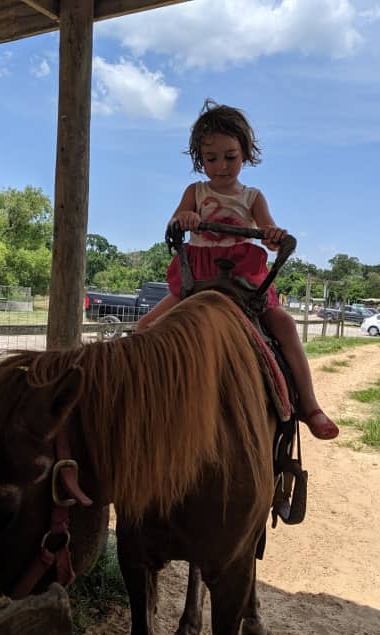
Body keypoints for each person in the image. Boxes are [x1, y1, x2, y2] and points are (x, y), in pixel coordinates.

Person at [137, 100, 338, 440]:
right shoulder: (195, 192)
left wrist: (274, 236)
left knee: (285, 324)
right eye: (211, 158)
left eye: (230, 157)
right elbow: (175, 222)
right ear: (200, 160)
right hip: (196, 281)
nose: (221, 166)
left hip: (244, 284)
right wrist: (184, 219)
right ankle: (138, 403)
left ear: (245, 153)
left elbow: (271, 238)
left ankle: (309, 404)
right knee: (145, 327)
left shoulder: (252, 197)